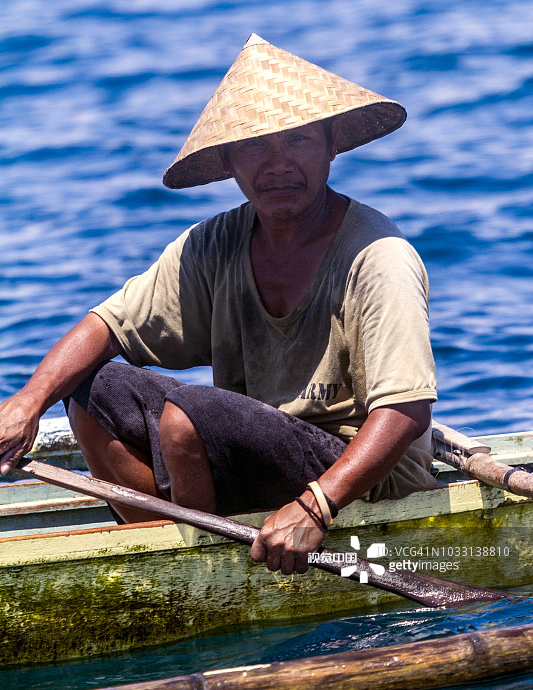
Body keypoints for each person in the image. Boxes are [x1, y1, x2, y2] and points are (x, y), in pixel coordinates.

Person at [0, 34, 437, 576]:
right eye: (256, 147)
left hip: (361, 473)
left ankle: (205, 573)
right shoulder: (215, 243)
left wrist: (315, 506)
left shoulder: (379, 256)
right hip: (250, 448)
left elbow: (405, 412)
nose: (278, 164)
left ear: (330, 146)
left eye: (298, 141)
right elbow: (108, 325)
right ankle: (162, 550)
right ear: (230, 162)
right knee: (92, 387)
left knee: (188, 419)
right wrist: (26, 403)